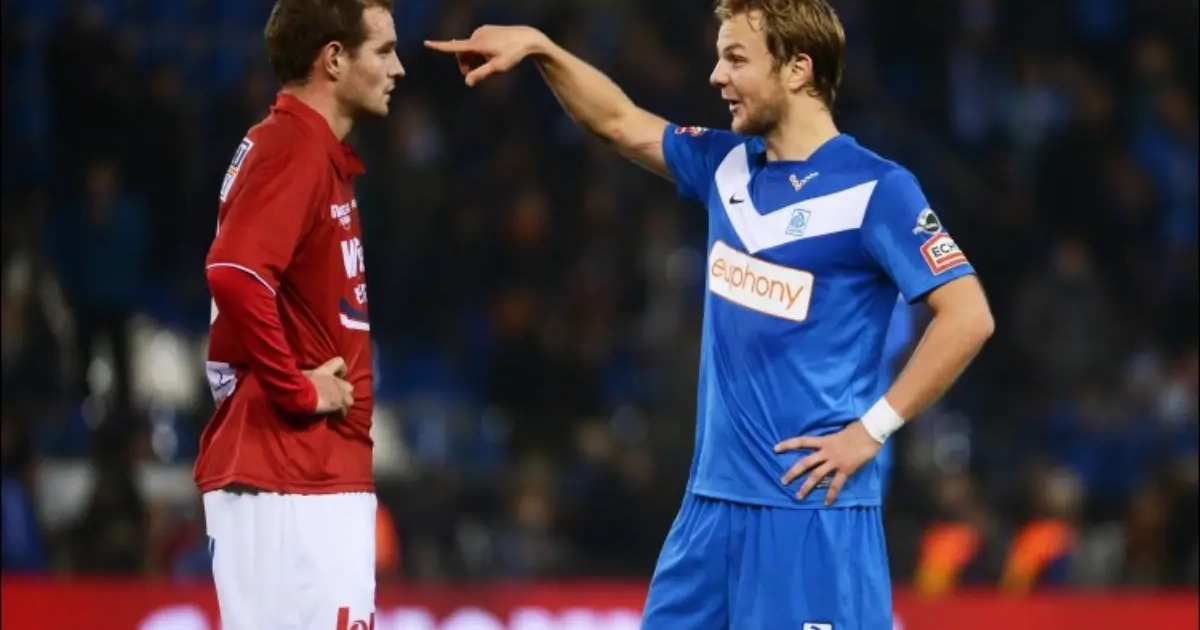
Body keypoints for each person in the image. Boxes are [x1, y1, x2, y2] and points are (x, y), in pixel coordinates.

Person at [426, 0, 995, 627]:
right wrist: (543, 49)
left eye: (735, 59)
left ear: (798, 68)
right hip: (709, 511)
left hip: (808, 514)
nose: (716, 76)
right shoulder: (726, 165)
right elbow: (617, 121)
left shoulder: (878, 190)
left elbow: (967, 315)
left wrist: (871, 430)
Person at [197, 1, 403, 628]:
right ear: (334, 59)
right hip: (291, 474)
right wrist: (296, 389)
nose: (398, 68)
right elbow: (234, 271)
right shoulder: (293, 148)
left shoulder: (309, 150)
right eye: (384, 51)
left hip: (308, 476)